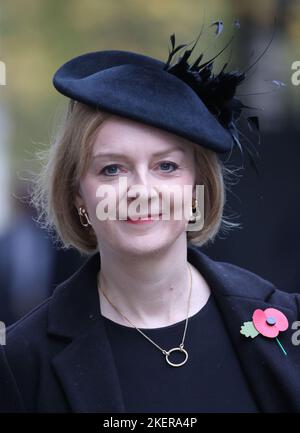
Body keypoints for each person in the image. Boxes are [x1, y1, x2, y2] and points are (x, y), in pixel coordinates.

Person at [1, 26, 300, 414]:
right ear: (78, 193)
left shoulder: (285, 324)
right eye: (112, 169)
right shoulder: (22, 359)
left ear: (198, 183)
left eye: (166, 165)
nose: (141, 190)